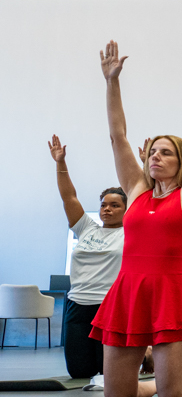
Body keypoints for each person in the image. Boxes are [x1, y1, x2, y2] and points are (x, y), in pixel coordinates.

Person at [90, 39, 182, 397]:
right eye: (153, 151)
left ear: (180, 159)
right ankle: (159, 385)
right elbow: (117, 135)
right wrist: (112, 81)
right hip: (128, 292)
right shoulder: (136, 191)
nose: (155, 157)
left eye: (165, 152)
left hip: (171, 293)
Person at [48, 135, 128, 378]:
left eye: (115, 205)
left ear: (127, 208)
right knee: (79, 372)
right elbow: (68, 197)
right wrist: (60, 163)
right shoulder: (86, 228)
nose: (107, 209)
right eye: (104, 204)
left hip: (111, 305)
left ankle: (142, 354)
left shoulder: (131, 233)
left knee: (108, 372)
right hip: (78, 304)